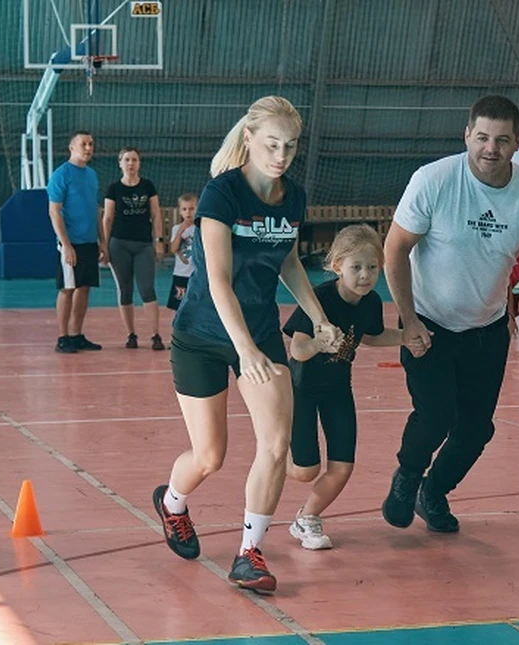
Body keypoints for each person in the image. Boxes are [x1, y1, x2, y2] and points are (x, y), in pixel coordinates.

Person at [152, 96, 342, 594]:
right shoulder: (222, 194)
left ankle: (249, 553)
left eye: (290, 146)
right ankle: (173, 503)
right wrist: (245, 350)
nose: (281, 154)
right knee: (210, 456)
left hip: (257, 333)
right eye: (272, 144)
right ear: (250, 140)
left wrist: (319, 319)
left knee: (276, 445)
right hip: (202, 336)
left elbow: (289, 262)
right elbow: (216, 278)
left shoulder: (294, 197)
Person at [381, 95, 519, 533]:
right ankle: (407, 476)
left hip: (487, 329)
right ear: (467, 134)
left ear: (517, 142)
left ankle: (434, 491)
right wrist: (409, 319)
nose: (490, 148)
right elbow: (395, 250)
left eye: (502, 139)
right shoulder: (434, 180)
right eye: (482, 137)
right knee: (436, 415)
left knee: (477, 429)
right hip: (429, 324)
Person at [283, 224, 402, 550]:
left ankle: (306, 519)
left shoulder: (371, 301)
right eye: (356, 267)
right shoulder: (319, 299)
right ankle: (273, 460)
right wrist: (320, 344)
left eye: (372, 267)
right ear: (337, 267)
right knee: (306, 471)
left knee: (342, 467)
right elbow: (297, 350)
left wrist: (407, 337)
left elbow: (372, 336)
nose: (365, 275)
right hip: (303, 390)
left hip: (338, 390)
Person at [102, 146, 166, 350]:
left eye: (134, 160)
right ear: (120, 163)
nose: (130, 163)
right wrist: (104, 246)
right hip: (119, 244)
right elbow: (108, 218)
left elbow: (156, 214)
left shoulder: (147, 186)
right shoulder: (114, 189)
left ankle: (156, 335)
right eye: (127, 160)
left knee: (147, 289)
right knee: (125, 290)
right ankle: (131, 334)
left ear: (139, 163)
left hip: (143, 244)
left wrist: (159, 241)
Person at [48, 130, 104, 354]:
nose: (88, 148)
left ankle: (77, 334)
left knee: (84, 288)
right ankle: (63, 337)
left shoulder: (91, 175)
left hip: (90, 242)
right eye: (83, 144)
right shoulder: (61, 175)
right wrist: (66, 245)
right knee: (67, 288)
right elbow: (54, 212)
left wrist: (102, 241)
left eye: (91, 144)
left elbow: (96, 210)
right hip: (71, 243)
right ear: (72, 147)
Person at [165, 193, 198, 312]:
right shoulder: (176, 228)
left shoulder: (201, 228)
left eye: (191, 209)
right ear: (180, 211)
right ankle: (178, 329)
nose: (188, 212)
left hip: (196, 273)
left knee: (196, 305)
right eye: (184, 209)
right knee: (178, 305)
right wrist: (180, 232)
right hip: (181, 273)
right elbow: (173, 249)